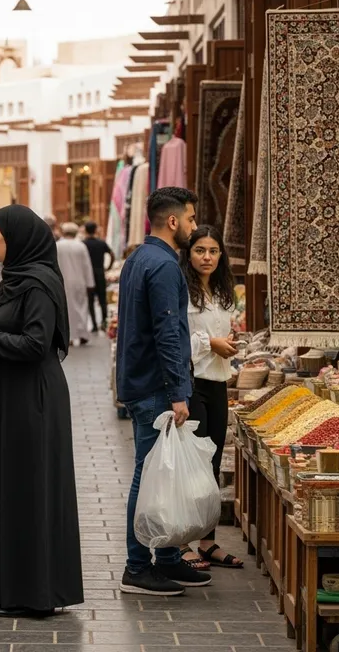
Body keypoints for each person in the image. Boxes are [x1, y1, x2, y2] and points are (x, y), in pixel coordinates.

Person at [0, 205, 83, 617]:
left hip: (32, 400)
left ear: (19, 238)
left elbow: (34, 345)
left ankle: (34, 591)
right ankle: (8, 587)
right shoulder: (12, 282)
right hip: (9, 396)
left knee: (29, 490)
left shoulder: (39, 285)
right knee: (9, 488)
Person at [116, 187, 212, 596]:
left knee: (161, 473)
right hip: (156, 387)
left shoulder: (139, 257)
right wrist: (177, 392)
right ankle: (137, 566)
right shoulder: (165, 265)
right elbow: (167, 333)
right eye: (190, 219)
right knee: (150, 473)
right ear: (173, 221)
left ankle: (169, 559)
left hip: (142, 382)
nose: (193, 226)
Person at [179, 225, 243, 570]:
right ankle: (183, 543)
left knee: (214, 462)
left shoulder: (222, 292)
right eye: (200, 250)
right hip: (192, 383)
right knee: (193, 463)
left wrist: (228, 343)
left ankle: (208, 541)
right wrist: (210, 344)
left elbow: (220, 334)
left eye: (213, 251)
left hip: (218, 382)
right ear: (189, 255)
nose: (207, 257)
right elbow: (178, 339)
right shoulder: (182, 292)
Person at [55, 222, 94, 346]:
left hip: (62, 280)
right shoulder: (81, 246)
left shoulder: (57, 245)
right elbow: (87, 265)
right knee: (81, 307)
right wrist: (90, 283)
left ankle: (69, 336)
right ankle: (82, 334)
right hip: (79, 281)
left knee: (65, 308)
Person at [83, 221, 114, 332]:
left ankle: (94, 325)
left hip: (88, 274)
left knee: (90, 300)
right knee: (102, 299)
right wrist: (108, 267)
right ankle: (104, 322)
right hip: (100, 272)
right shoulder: (101, 243)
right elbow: (111, 254)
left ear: (85, 230)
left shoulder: (83, 244)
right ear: (95, 230)